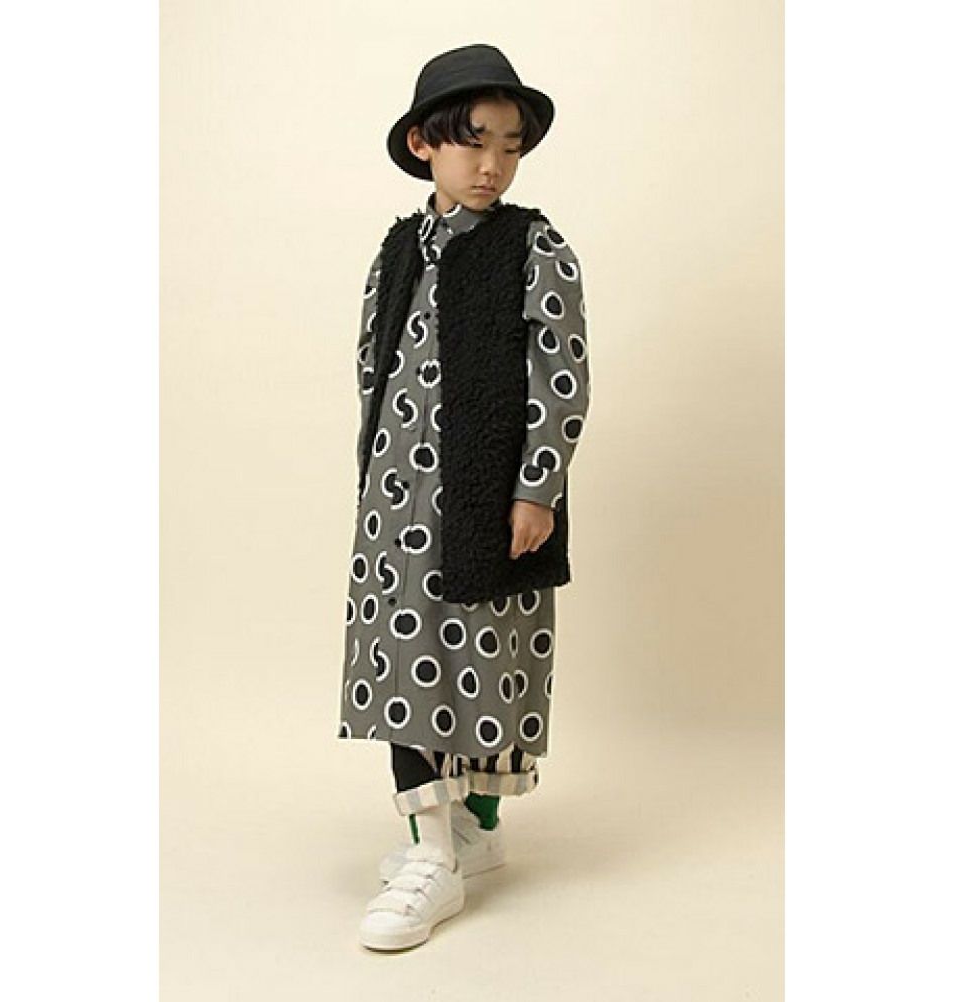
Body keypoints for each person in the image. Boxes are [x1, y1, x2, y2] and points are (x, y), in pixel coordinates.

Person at [335, 43, 591, 952]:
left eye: (510, 147)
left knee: (490, 659)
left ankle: (475, 831)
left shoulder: (536, 247)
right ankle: (431, 852)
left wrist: (537, 489)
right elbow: (372, 361)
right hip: (397, 499)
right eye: (474, 142)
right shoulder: (397, 249)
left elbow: (561, 377)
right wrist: (375, 474)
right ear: (424, 143)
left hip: (488, 496)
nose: (493, 165)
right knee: (401, 663)